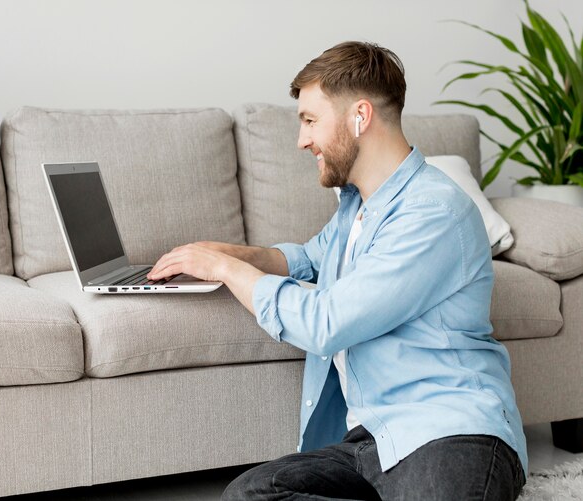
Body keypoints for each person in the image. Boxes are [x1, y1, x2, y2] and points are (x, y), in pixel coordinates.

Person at [148, 41, 528, 500]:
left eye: (310, 120)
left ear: (359, 117)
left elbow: (326, 322)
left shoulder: (431, 212)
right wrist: (221, 253)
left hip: (448, 433)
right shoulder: (359, 206)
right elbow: (309, 259)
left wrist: (226, 269)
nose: (302, 140)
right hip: (374, 442)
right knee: (248, 494)